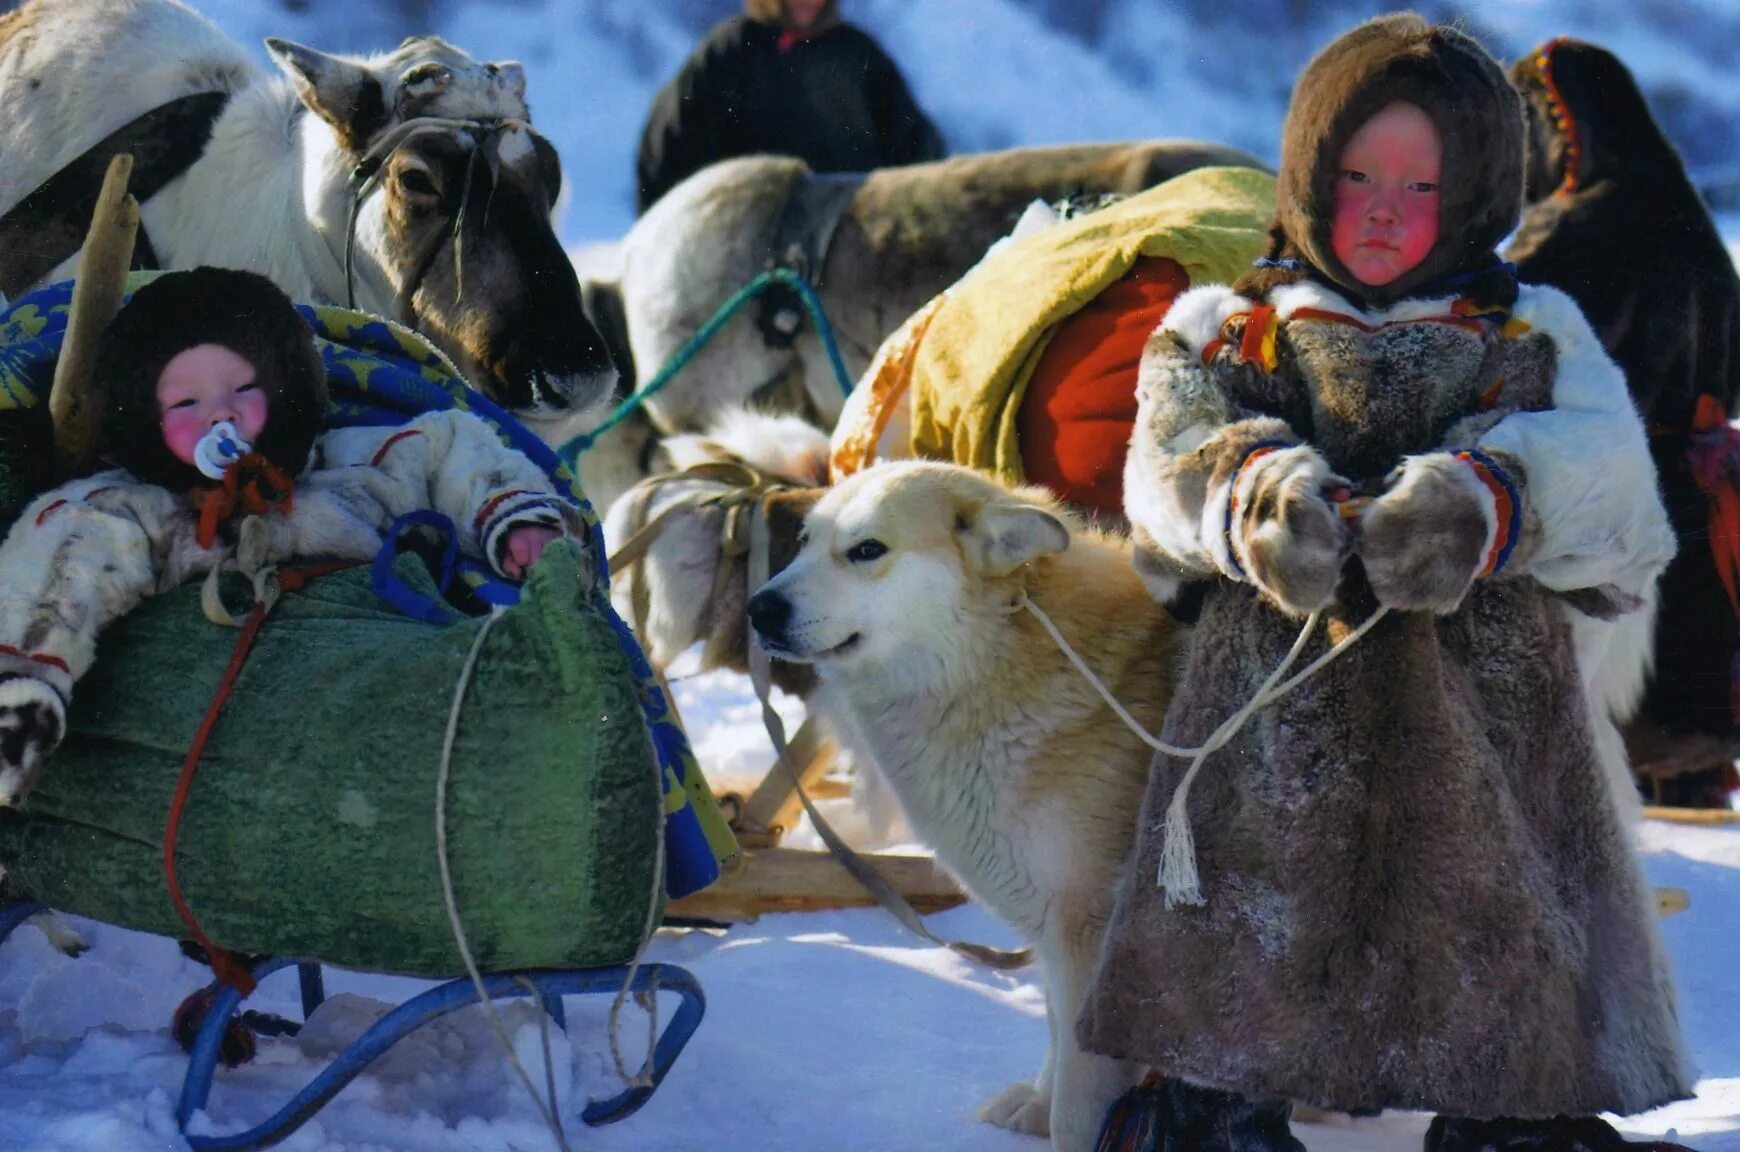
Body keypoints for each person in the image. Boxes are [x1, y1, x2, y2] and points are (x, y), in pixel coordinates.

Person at [1077, 15, 1693, 1151]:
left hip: (1487, 707)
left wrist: (1487, 500)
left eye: (1422, 186)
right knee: (1252, 907)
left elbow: (1621, 502)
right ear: (1309, 168)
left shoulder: (1532, 329)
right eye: (1355, 174)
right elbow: (1163, 465)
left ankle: (1510, 1114)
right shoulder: (1232, 329)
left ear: (1478, 197)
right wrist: (1258, 500)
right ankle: (1217, 1107)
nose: (1379, 210)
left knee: (1495, 908)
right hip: (1275, 702)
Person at [0, 267, 581, 808]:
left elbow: (446, 446)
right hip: (225, 729)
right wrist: (26, 678)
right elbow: (59, 564)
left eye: (243, 390)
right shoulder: (135, 511)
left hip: (383, 689)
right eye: (186, 403)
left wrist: (513, 515)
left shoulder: (337, 472)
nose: (219, 415)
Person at [1507, 38, 1740, 807]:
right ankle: (1694, 771)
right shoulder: (1696, 226)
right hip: (1698, 512)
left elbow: (1511, 351)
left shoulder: (1579, 225)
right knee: (1680, 723)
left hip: (1610, 507)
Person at [634, 0, 945, 214]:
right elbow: (666, 147)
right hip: (741, 252)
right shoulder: (731, 52)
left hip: (846, 251)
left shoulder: (857, 56)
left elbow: (917, 152)